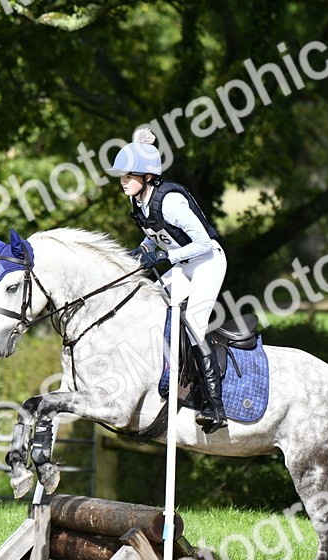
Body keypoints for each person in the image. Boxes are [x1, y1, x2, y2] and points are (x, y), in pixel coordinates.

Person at [107, 127, 228, 432]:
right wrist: (141, 251)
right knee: (150, 303)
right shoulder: (139, 201)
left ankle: (215, 407)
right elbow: (156, 236)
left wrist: (163, 256)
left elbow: (203, 243)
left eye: (129, 175)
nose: (123, 181)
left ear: (148, 176)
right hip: (184, 264)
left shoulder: (170, 201)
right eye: (122, 175)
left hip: (207, 262)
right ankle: (164, 372)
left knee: (195, 324)